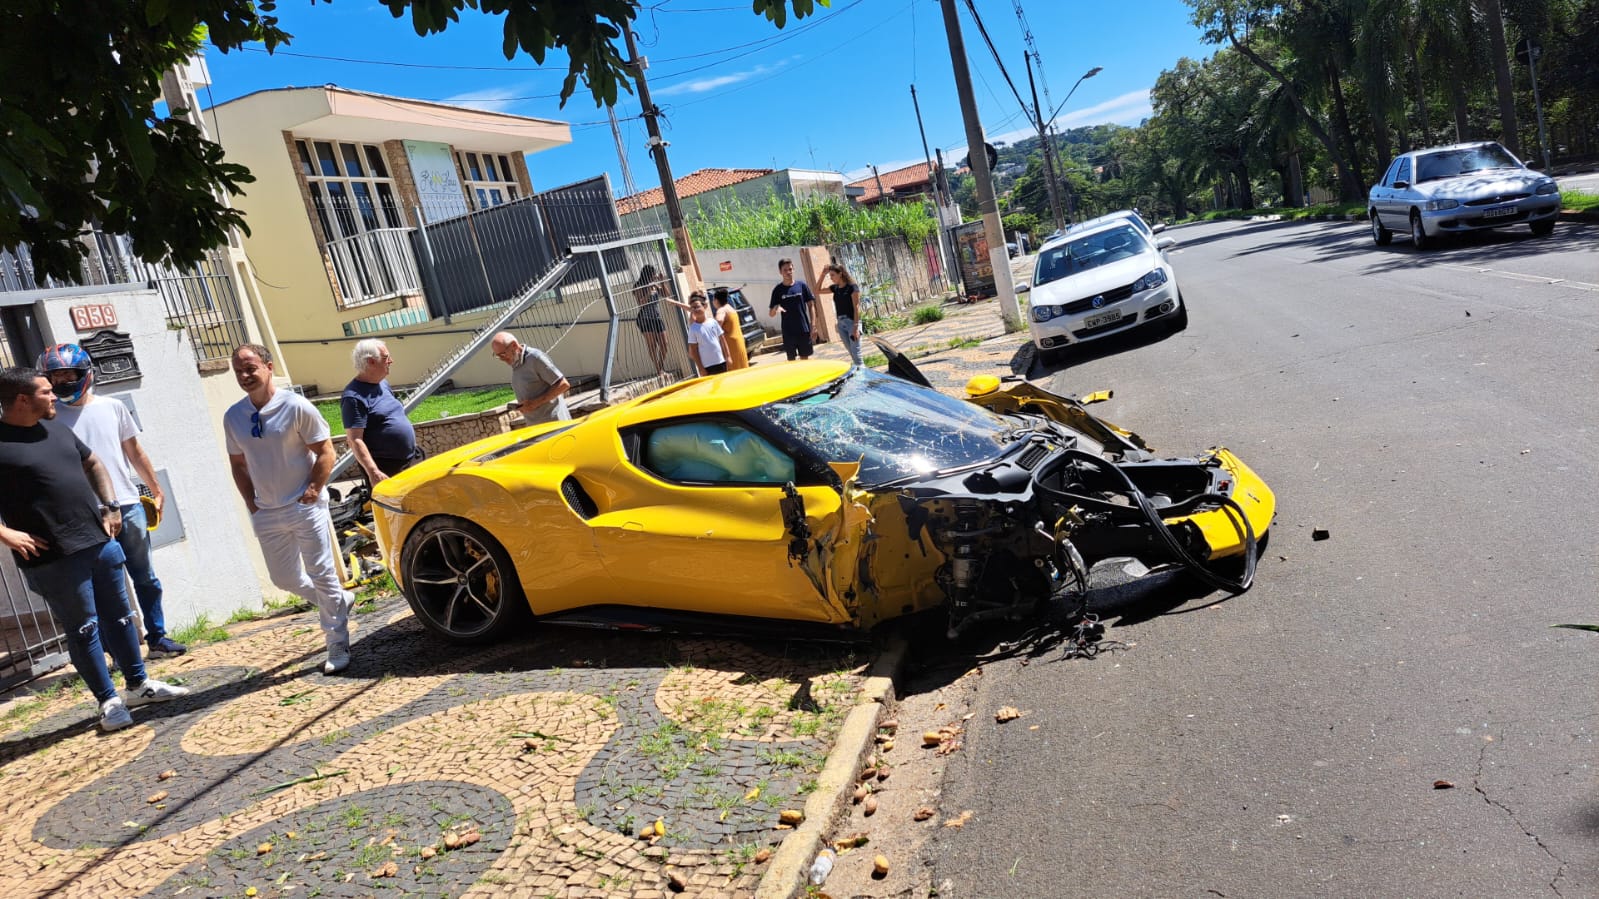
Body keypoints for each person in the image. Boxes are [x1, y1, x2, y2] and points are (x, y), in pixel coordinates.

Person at [0, 367, 189, 731]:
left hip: (99, 541)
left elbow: (92, 462)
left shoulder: (54, 426)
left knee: (120, 618)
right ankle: (109, 702)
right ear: (23, 399)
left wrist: (111, 505)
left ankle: (138, 685)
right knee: (84, 629)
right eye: (45, 391)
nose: (55, 395)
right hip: (53, 557)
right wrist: (7, 535)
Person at [38, 343, 188, 660]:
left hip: (127, 504)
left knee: (145, 576)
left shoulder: (113, 407)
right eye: (56, 376)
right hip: (84, 514)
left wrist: (155, 489)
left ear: (85, 374)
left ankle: (158, 637)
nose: (63, 382)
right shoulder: (48, 418)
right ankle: (116, 650)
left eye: (69, 374)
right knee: (101, 585)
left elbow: (134, 451)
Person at [223, 344, 356, 675]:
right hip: (267, 511)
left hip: (304, 505)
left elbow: (326, 451)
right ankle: (337, 601)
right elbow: (238, 463)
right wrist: (251, 503)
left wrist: (313, 489)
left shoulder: (296, 406)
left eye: (250, 368)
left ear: (268, 367)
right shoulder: (233, 416)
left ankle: (336, 640)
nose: (244, 375)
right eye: (238, 370)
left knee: (321, 571)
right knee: (283, 578)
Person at [340, 339, 421, 486]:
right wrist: (373, 471)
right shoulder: (353, 397)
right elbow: (355, 440)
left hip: (411, 458)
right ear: (371, 361)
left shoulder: (383, 384)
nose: (391, 361)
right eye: (385, 358)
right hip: (387, 468)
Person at [489, 331, 571, 426]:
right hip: (535, 427)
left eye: (502, 354)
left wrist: (534, 403)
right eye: (497, 356)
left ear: (514, 345)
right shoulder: (515, 364)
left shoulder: (535, 358)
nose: (502, 359)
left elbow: (563, 384)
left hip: (555, 425)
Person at [768, 258, 821, 361]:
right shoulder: (777, 290)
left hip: (803, 329)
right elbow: (771, 313)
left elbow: (811, 305)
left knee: (805, 358)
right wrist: (776, 308)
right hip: (788, 332)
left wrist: (813, 326)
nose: (788, 272)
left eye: (790, 269)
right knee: (792, 361)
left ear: (793, 269)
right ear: (780, 272)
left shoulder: (802, 286)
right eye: (785, 270)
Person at [816, 264, 863, 365]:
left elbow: (856, 307)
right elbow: (817, 290)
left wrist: (856, 328)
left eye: (832, 275)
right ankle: (861, 374)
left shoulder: (852, 287)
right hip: (841, 324)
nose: (831, 278)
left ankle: (864, 376)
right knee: (852, 353)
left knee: (857, 354)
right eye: (830, 275)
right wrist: (823, 275)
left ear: (840, 274)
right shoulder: (835, 288)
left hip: (852, 323)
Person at [632, 264, 672, 373]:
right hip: (645, 319)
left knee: (665, 344)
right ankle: (659, 370)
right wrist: (649, 292)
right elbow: (640, 304)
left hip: (656, 317)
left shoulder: (654, 285)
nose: (655, 276)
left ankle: (660, 366)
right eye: (653, 274)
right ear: (649, 274)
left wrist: (662, 283)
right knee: (653, 345)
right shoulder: (638, 286)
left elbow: (667, 295)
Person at [684, 292, 732, 376]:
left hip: (721, 362)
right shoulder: (693, 329)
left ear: (704, 306)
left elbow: (722, 340)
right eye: (693, 308)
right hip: (707, 366)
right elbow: (694, 351)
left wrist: (728, 357)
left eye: (698, 306)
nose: (696, 309)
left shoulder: (713, 322)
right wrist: (701, 368)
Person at [710, 288, 750, 370]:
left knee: (733, 370)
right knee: (742, 367)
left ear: (716, 300)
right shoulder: (731, 308)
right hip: (739, 341)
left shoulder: (721, 310)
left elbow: (719, 320)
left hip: (730, 344)